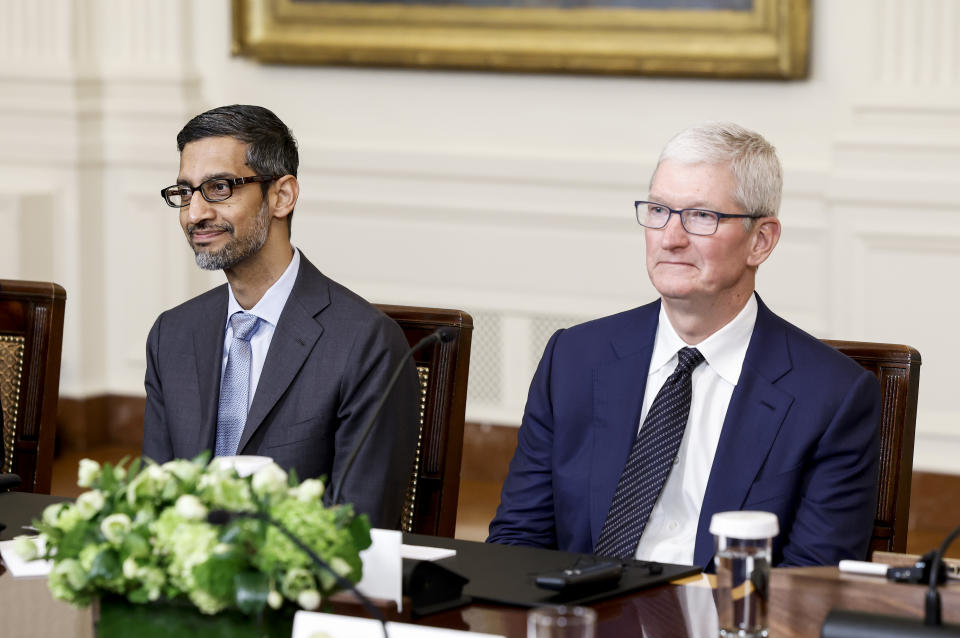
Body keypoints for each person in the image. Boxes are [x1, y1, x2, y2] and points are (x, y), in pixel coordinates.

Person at [488, 123, 881, 568]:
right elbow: (518, 542)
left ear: (761, 240)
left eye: (701, 216)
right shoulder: (575, 358)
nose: (670, 238)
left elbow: (809, 585)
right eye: (658, 210)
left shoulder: (832, 397)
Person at [142, 105, 419, 528]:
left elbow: (358, 524)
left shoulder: (365, 343)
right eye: (185, 192)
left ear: (281, 196)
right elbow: (153, 502)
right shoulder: (173, 335)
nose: (194, 213)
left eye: (218, 188)